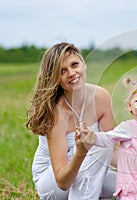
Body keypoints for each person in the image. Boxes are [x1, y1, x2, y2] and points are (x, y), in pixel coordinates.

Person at [25, 42, 118, 200]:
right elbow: (62, 181)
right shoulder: (56, 113)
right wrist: (81, 152)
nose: (72, 73)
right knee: (97, 142)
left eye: (75, 64)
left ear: (84, 63)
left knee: (130, 185)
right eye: (62, 71)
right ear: (55, 78)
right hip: (53, 182)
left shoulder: (101, 97)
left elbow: (113, 151)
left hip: (87, 169)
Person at [77, 80, 137, 200]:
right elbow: (108, 138)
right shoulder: (128, 128)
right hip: (132, 186)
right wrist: (92, 137)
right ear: (130, 106)